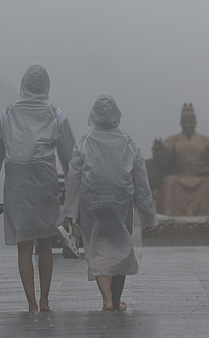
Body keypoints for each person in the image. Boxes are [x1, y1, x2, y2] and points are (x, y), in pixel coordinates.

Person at [0, 63, 75, 312]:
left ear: (22, 86)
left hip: (17, 183)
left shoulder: (6, 114)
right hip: (45, 181)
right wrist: (75, 200)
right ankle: (45, 301)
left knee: (24, 244)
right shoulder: (56, 115)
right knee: (45, 242)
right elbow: (71, 160)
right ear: (46, 88)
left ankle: (30, 303)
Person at [61, 94, 157, 311]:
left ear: (93, 115)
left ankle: (106, 299)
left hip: (92, 201)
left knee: (97, 247)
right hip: (120, 201)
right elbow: (141, 181)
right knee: (120, 246)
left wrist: (68, 213)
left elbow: (73, 180)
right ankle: (115, 300)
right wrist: (148, 215)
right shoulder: (128, 141)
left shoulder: (84, 142)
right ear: (117, 115)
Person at [154, 103, 209, 216]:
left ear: (195, 123)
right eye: (186, 122)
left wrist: (207, 169)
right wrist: (158, 150)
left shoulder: (205, 141)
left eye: (191, 122)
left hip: (200, 176)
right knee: (169, 181)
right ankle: (170, 217)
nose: (189, 125)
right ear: (181, 123)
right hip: (179, 176)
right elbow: (164, 158)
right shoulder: (173, 140)